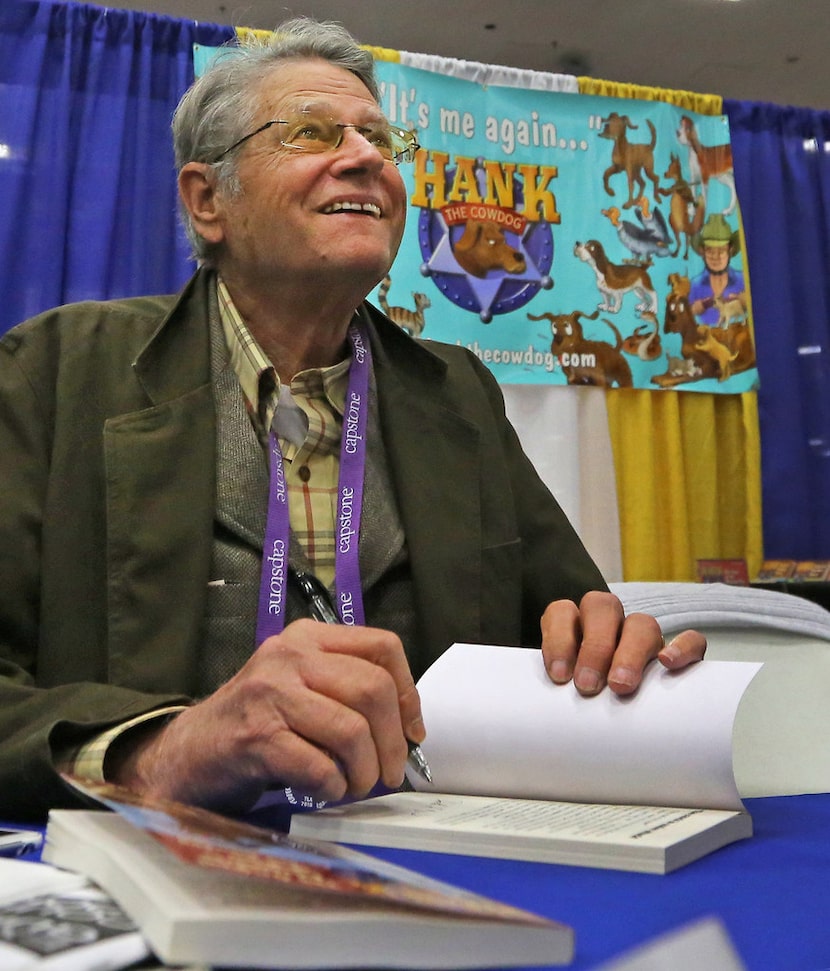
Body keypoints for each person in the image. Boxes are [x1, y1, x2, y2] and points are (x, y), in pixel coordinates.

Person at [0, 18, 706, 823]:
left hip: (428, 857)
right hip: (154, 862)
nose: (369, 157)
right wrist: (159, 750)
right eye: (311, 132)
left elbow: (572, 619)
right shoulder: (56, 371)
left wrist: (603, 647)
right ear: (207, 201)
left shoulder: (458, 392)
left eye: (381, 138)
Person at [689, 213, 746, 325]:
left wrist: (747, 301)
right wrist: (693, 310)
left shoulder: (744, 280)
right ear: (702, 252)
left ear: (730, 251)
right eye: (710, 251)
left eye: (721, 251)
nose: (716, 257)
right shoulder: (695, 285)